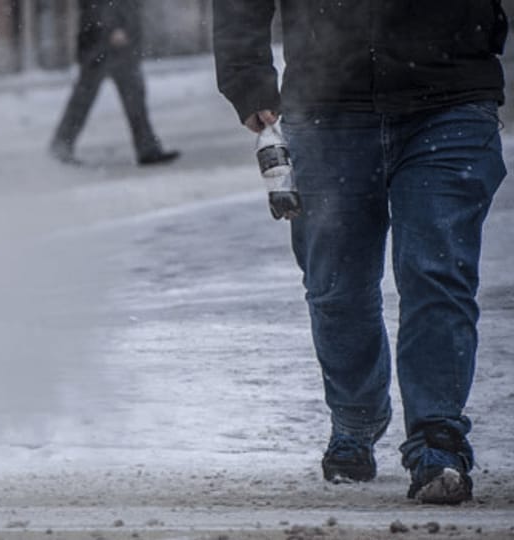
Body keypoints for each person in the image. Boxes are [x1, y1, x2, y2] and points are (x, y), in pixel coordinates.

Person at [213, 1, 508, 504]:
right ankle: (355, 418)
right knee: (335, 286)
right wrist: (247, 78)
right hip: (327, 108)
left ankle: (438, 440)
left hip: (450, 98)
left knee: (436, 273)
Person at [49, 0, 179, 166]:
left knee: (132, 96)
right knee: (87, 96)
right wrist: (113, 27)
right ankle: (61, 145)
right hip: (104, 42)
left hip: (113, 41)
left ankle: (147, 147)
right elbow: (99, 5)